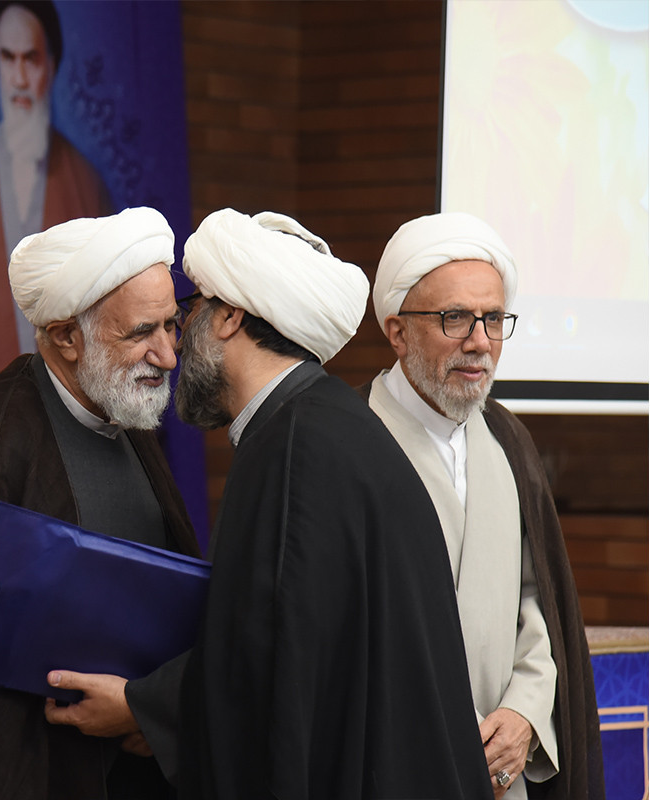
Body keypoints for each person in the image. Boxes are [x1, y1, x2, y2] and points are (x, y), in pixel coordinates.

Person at [172, 209, 493, 799]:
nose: (178, 334)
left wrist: (139, 708)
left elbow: (271, 680)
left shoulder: (293, 449)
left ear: (229, 316)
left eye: (192, 308)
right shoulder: (326, 425)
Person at [0, 206, 200, 800]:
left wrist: (151, 710)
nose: (168, 355)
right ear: (65, 337)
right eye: (141, 332)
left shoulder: (126, 416)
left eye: (172, 325)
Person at [362, 211, 605, 799]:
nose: (479, 342)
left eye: (493, 319)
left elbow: (536, 600)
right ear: (397, 332)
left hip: (504, 771)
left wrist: (524, 713)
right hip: (396, 767)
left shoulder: (507, 439)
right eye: (455, 318)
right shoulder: (351, 444)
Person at [0, 0, 112, 419]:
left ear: (52, 65)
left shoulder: (85, 180)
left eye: (30, 59)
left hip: (66, 412)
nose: (18, 78)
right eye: (7, 57)